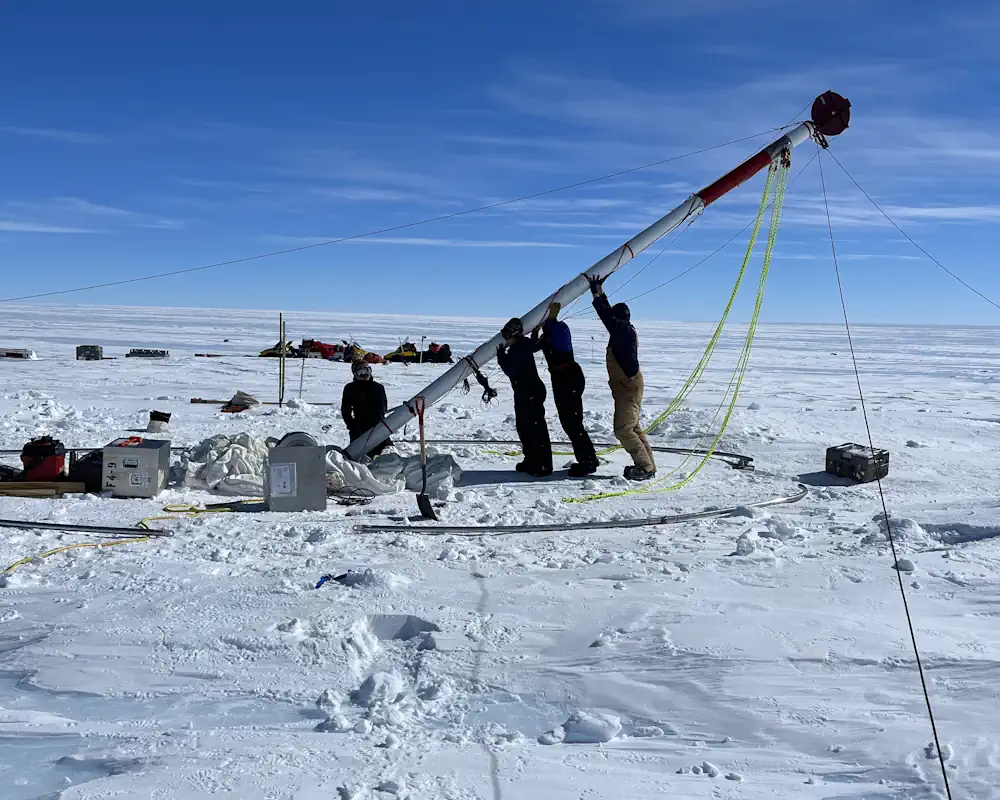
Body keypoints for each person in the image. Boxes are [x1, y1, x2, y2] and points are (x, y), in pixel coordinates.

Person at [588, 274, 656, 480]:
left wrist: (596, 293)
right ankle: (648, 466)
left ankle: (644, 468)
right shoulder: (624, 329)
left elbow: (606, 316)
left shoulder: (622, 331)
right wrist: (599, 291)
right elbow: (609, 315)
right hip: (628, 385)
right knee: (633, 427)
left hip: (628, 387)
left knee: (623, 430)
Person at [531, 302, 599, 477]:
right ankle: (588, 458)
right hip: (567, 377)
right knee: (571, 422)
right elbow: (535, 346)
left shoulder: (558, 330)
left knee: (572, 422)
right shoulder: (555, 332)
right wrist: (537, 330)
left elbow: (538, 344)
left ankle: (588, 461)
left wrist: (547, 322)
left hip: (567, 378)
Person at [496, 317, 553, 477]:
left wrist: (502, 357)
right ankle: (531, 459)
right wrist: (536, 332)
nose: (506, 338)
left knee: (534, 429)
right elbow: (534, 345)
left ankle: (542, 465)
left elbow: (511, 370)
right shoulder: (525, 344)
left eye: (507, 334)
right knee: (524, 428)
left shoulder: (517, 349)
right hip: (527, 392)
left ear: (513, 333)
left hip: (529, 393)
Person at [341, 359, 391, 457]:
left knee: (383, 456)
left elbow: (383, 408)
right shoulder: (350, 388)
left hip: (378, 426)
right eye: (361, 372)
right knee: (358, 456)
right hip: (359, 428)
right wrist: (352, 426)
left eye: (367, 371)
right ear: (355, 374)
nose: (364, 375)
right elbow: (345, 410)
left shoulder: (378, 387)